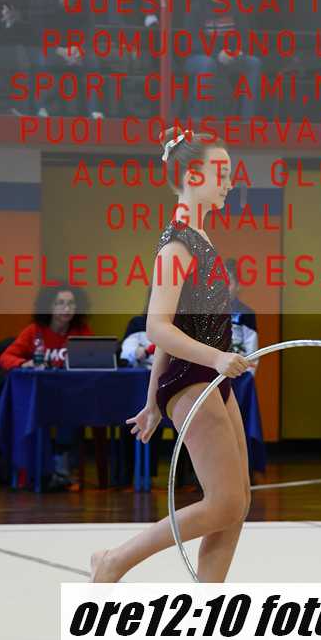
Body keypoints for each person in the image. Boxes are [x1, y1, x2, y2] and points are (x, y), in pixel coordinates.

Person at [91, 128, 252, 583]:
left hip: (209, 379)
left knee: (237, 501)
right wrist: (216, 360)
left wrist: (150, 400)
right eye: (222, 173)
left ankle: (210, 603)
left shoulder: (200, 237)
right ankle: (113, 561)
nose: (229, 183)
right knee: (224, 502)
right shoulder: (178, 244)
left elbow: (173, 330)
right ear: (193, 175)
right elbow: (156, 327)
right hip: (194, 377)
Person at [0, 281, 93, 488]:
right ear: (49, 306)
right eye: (60, 303)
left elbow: (92, 361)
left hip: (69, 397)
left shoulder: (81, 331)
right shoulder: (34, 331)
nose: (67, 308)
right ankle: (37, 471)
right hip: (37, 399)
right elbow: (5, 358)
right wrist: (24, 363)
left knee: (70, 411)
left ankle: (60, 471)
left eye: (71, 303)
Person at [184, 0, 262, 121]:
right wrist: (216, 54)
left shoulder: (236, 7)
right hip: (198, 58)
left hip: (229, 56)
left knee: (254, 63)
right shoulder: (196, 8)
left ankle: (248, 122)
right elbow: (191, 42)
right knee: (207, 64)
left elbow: (245, 37)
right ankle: (197, 120)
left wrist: (237, 51)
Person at [225, 257, 259, 375]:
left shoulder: (245, 312)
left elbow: (252, 350)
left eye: (228, 283)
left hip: (239, 375)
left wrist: (247, 376)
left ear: (238, 286)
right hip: (215, 375)